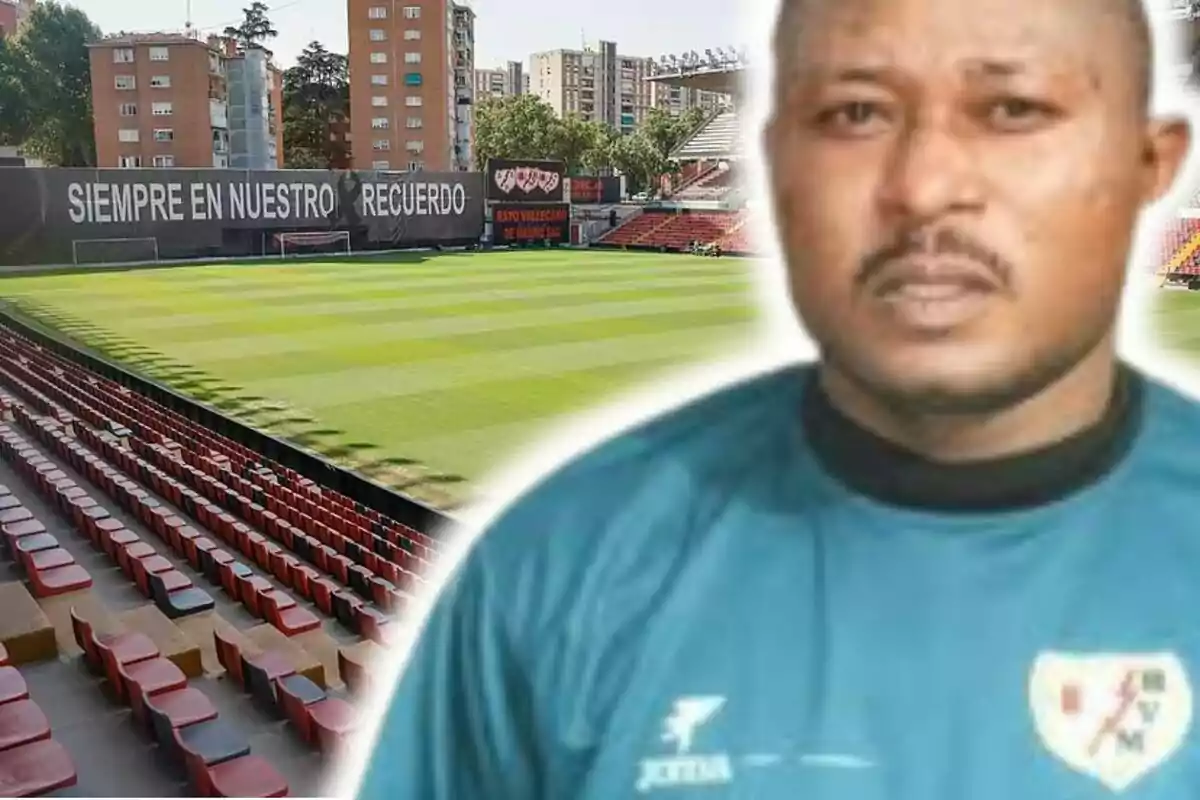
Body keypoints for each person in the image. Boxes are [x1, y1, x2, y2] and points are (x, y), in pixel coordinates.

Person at [350, 0, 1199, 796]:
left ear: (1147, 165)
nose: (925, 185)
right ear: (778, 161)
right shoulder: (552, 566)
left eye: (1014, 109)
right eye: (855, 113)